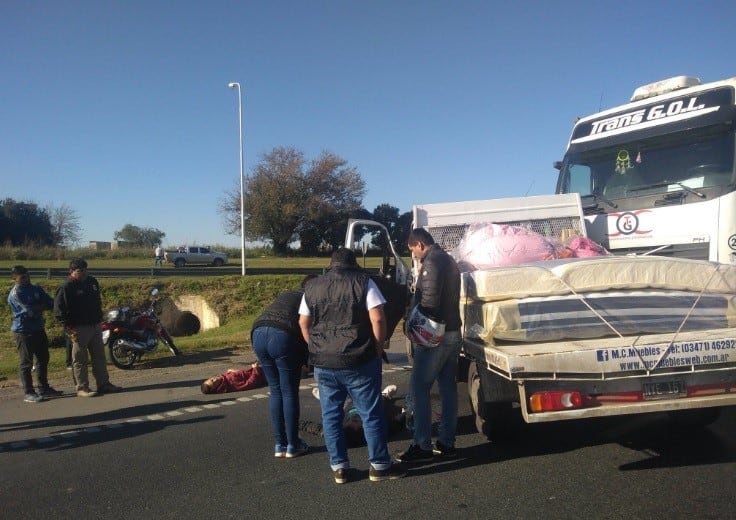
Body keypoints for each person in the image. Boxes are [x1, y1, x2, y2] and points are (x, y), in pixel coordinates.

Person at [299, 248, 407, 484]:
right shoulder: (364, 282)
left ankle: (339, 467)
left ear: (331, 264)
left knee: (331, 415)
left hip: (324, 362)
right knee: (370, 413)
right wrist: (378, 349)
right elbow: (378, 318)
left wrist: (315, 347)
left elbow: (303, 321)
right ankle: (379, 465)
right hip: (359, 358)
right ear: (354, 263)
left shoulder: (313, 286)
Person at [396, 227, 462, 464]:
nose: (414, 255)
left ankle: (422, 444)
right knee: (447, 388)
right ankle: (447, 442)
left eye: (413, 250)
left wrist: (415, 324)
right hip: (453, 331)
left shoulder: (432, 262)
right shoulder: (449, 260)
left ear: (420, 244)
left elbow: (430, 301)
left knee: (420, 386)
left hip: (436, 335)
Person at [251, 275, 316, 458]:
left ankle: (280, 444)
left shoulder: (288, 294)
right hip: (284, 336)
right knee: (288, 392)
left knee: (276, 391)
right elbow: (309, 328)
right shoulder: (311, 297)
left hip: (258, 331)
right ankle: (293, 444)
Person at [53, 258, 122, 397]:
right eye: (80, 271)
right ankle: (82, 387)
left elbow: (97, 301)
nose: (83, 273)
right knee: (80, 359)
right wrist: (67, 326)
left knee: (99, 356)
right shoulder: (67, 287)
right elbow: (58, 310)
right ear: (71, 272)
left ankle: (104, 384)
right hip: (78, 327)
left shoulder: (92, 282)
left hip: (95, 324)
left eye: (85, 270)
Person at [7, 265, 64, 403]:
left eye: (27, 275)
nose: (26, 278)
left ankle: (44, 387)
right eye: (22, 276)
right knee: (26, 362)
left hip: (38, 328)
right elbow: (28, 312)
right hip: (23, 331)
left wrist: (41, 307)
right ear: (15, 278)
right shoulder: (15, 294)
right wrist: (40, 307)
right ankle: (28, 392)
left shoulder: (36, 288)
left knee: (43, 358)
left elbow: (50, 303)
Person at [303, 384, 405, 447]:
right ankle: (384, 395)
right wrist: (404, 413)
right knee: (376, 401)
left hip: (347, 405)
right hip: (368, 407)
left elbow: (313, 427)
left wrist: (294, 423)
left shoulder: (335, 432)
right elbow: (395, 423)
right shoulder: (374, 428)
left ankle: (327, 400)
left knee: (341, 404)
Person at [200, 362, 266, 394]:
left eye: (211, 379)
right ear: (216, 388)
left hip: (259, 370)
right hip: (263, 375)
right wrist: (255, 369)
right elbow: (250, 383)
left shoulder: (223, 379)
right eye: (214, 383)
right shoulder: (230, 385)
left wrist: (233, 371)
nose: (215, 380)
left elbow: (241, 376)